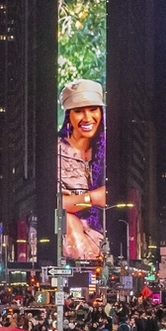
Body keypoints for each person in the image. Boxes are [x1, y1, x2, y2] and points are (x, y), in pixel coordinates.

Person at [57, 79, 108, 261]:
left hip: (105, 240)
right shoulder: (55, 152)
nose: (87, 118)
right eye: (79, 111)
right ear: (68, 115)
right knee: (69, 221)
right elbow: (56, 205)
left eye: (93, 109)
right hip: (68, 240)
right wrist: (93, 198)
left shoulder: (108, 151)